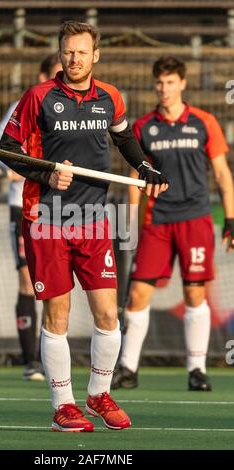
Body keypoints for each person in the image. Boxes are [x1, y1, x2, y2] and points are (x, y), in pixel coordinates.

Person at [0, 21, 168, 432]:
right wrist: (45, 177)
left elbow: (124, 139)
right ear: (60, 54)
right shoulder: (38, 97)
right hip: (47, 219)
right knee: (57, 313)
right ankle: (63, 406)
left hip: (93, 220)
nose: (74, 59)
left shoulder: (109, 97)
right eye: (67, 51)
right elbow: (7, 149)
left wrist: (144, 166)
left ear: (95, 56)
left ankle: (98, 394)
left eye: (81, 52)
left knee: (109, 313)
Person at [112, 55, 234, 392]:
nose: (164, 89)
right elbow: (135, 180)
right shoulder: (143, 127)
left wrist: (231, 219)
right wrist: (131, 225)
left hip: (194, 219)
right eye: (159, 83)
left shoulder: (204, 122)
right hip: (157, 220)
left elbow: (223, 175)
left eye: (170, 82)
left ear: (182, 83)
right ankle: (128, 368)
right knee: (137, 294)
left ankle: (197, 370)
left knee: (195, 294)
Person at [0, 54, 62, 381]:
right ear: (41, 75)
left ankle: (52, 355)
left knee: (54, 282)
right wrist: (19, 169)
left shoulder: (72, 109)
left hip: (59, 206)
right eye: (55, 75)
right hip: (23, 205)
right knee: (25, 278)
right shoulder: (25, 105)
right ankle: (31, 360)